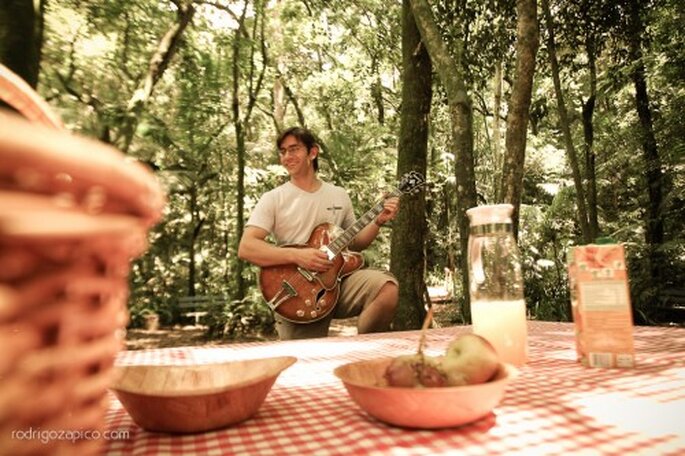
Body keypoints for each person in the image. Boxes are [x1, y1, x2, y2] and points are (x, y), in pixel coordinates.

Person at [238, 126, 400, 340]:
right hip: (297, 292)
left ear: (312, 153)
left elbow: (355, 244)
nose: (287, 156)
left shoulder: (338, 195)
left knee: (386, 288)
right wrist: (298, 256)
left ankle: (365, 351)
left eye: (294, 149)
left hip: (339, 282)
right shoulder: (273, 198)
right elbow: (247, 247)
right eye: (283, 151)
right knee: (303, 364)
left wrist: (377, 222)